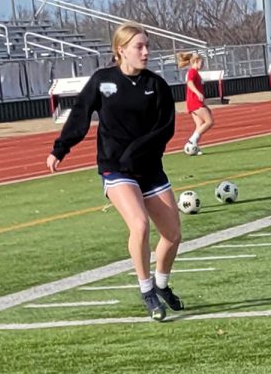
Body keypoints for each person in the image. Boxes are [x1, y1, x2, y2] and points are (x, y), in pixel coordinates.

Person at [46, 23, 185, 321]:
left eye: (147, 45)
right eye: (139, 46)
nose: (146, 52)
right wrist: (60, 148)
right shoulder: (102, 80)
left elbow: (166, 129)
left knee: (173, 234)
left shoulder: (156, 85)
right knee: (139, 225)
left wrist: (138, 151)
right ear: (120, 50)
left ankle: (161, 284)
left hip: (149, 169)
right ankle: (146, 290)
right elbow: (80, 114)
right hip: (115, 168)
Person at [176, 50, 214, 153]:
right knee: (209, 122)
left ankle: (194, 146)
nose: (203, 64)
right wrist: (198, 93)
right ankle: (192, 140)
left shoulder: (195, 73)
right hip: (194, 101)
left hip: (194, 102)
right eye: (201, 62)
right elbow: (190, 83)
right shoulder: (192, 72)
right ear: (196, 61)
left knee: (200, 124)